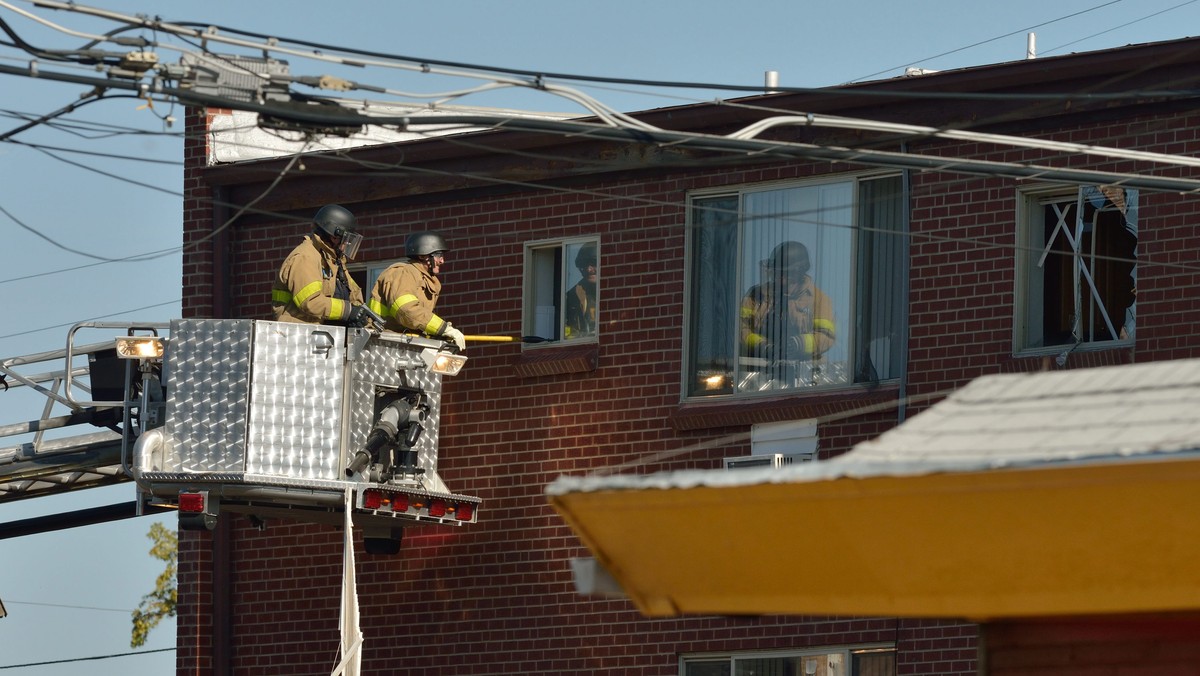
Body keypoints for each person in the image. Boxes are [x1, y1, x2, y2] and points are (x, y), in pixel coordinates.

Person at [271, 204, 369, 326]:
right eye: (345, 240)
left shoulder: (334, 262)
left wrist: (363, 316)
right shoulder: (306, 257)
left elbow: (354, 295)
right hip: (299, 335)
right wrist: (348, 311)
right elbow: (310, 302)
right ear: (334, 236)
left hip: (323, 337)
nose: (345, 246)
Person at [740, 241, 836, 365]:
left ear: (798, 272)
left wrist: (797, 344)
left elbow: (826, 337)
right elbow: (740, 328)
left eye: (783, 273)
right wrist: (762, 345)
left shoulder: (819, 300)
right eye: (776, 272)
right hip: (760, 366)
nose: (777, 277)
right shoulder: (756, 295)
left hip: (804, 372)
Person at [368, 231, 466, 351]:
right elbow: (406, 310)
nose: (442, 261)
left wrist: (437, 333)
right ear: (422, 256)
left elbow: (418, 320)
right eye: (438, 255)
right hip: (384, 343)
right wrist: (443, 328)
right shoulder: (403, 272)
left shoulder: (422, 278)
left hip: (403, 343)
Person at [563, 242, 598, 339]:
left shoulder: (620, 293)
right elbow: (566, 331)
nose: (589, 269)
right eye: (584, 264)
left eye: (594, 263)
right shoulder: (571, 298)